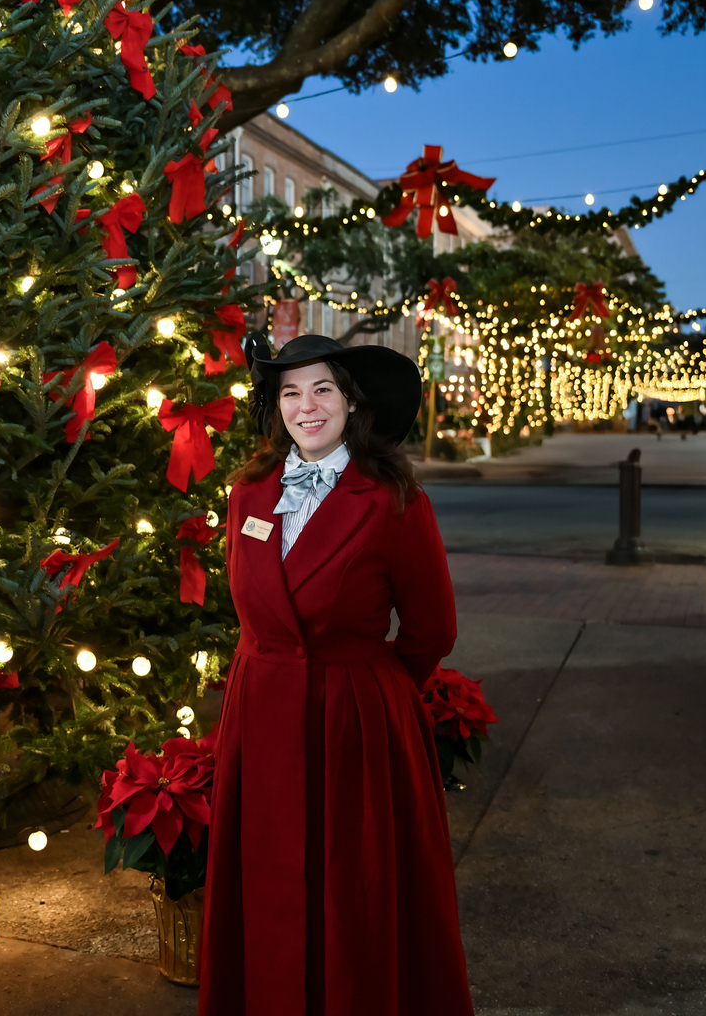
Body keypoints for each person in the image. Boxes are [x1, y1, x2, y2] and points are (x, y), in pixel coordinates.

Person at [201, 333, 473, 1016]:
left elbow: (431, 630)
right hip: (260, 715)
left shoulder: (393, 501)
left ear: (352, 402)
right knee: (265, 887)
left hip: (353, 717)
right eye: (291, 392)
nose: (306, 406)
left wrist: (367, 688)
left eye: (323, 389)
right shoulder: (248, 494)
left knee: (351, 891)